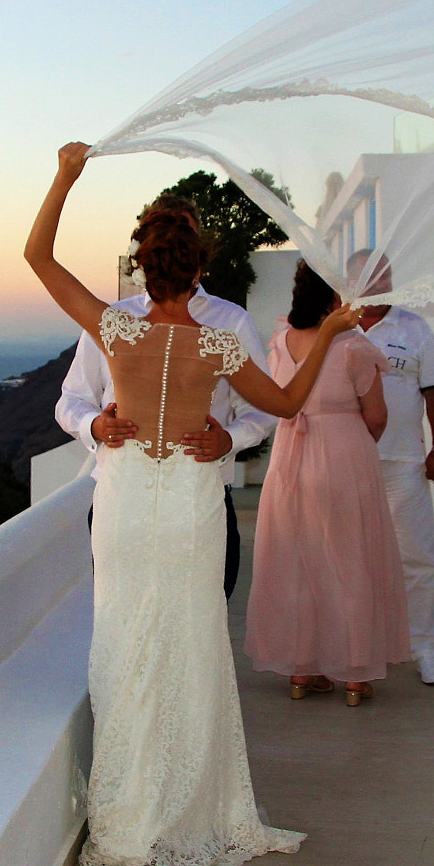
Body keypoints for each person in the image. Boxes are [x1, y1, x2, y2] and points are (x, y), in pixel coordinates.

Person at [26, 142, 363, 866]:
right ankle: (184, 805)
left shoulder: (114, 328)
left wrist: (66, 175)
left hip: (124, 506)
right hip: (187, 505)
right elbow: (286, 403)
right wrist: (332, 332)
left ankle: (126, 814)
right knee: (189, 643)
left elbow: (38, 255)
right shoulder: (217, 340)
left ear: (143, 266)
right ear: (199, 264)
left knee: (122, 642)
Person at [56, 193, 275, 599]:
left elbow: (263, 411)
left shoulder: (231, 321)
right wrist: (96, 426)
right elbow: (71, 399)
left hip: (202, 498)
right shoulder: (112, 321)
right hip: (121, 502)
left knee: (199, 622)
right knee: (123, 618)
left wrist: (230, 439)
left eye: (183, 233)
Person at [245, 261, 411, 707]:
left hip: (288, 460)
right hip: (343, 455)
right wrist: (355, 444)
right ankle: (355, 675)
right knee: (350, 559)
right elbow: (375, 415)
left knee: (297, 560)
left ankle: (302, 670)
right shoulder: (353, 346)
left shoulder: (280, 342)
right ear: (334, 299)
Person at [348, 250, 434, 686]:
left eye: (384, 276)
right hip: (347, 464)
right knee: (350, 560)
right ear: (350, 282)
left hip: (404, 464)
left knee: (417, 558)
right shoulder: (336, 329)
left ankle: (426, 649)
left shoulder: (414, 327)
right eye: (368, 278)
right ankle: (355, 651)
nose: (377, 284)